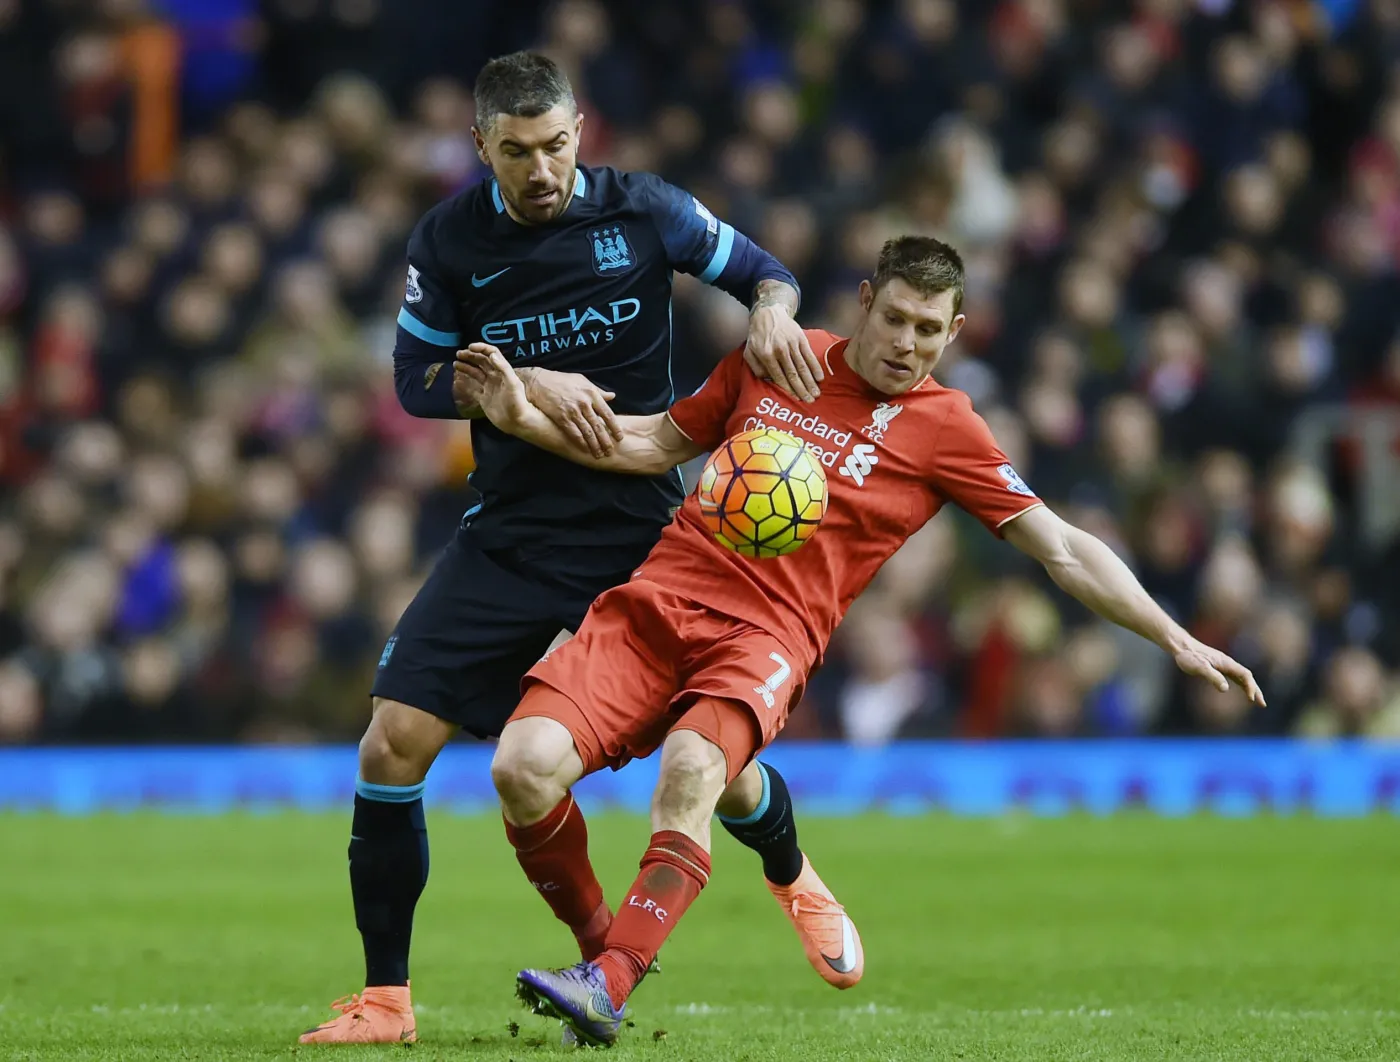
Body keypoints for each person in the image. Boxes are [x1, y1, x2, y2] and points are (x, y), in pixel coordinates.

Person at [458, 235, 1266, 1047]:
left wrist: (1173, 634)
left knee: (693, 769)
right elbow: (652, 446)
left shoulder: (947, 428)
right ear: (866, 301)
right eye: (896, 320)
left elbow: (1062, 547)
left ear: (955, 333)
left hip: (768, 636)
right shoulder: (780, 356)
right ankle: (614, 941)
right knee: (521, 770)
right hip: (658, 601)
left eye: (929, 330)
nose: (907, 343)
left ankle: (610, 981)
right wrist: (523, 417)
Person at [301, 51, 831, 1045]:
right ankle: (395, 999)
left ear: (579, 130)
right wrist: (523, 379)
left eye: (554, 146)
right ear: (480, 146)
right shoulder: (448, 240)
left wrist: (768, 314)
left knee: (716, 767)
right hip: (511, 531)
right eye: (516, 152)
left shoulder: (646, 211)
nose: (540, 169)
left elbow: (769, 273)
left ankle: (791, 872)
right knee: (390, 742)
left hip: (641, 531)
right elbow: (415, 378)